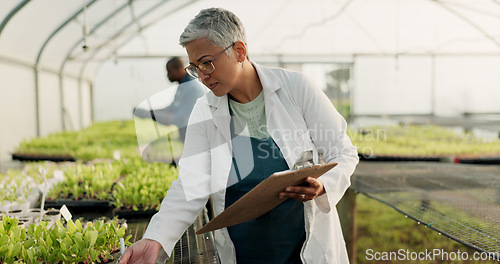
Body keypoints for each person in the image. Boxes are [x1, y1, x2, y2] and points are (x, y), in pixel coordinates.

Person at [120, 7, 359, 264]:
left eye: (206, 63)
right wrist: (155, 238)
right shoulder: (205, 110)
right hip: (244, 251)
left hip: (303, 248)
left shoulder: (295, 89)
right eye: (194, 68)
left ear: (240, 51)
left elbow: (343, 152)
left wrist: (324, 185)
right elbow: (190, 184)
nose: (201, 76)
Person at [133, 57, 206, 143]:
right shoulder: (183, 86)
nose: (168, 75)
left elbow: (179, 119)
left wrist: (148, 115)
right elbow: (172, 108)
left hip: (197, 139)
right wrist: (149, 112)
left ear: (179, 70)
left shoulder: (192, 88)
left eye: (169, 71)